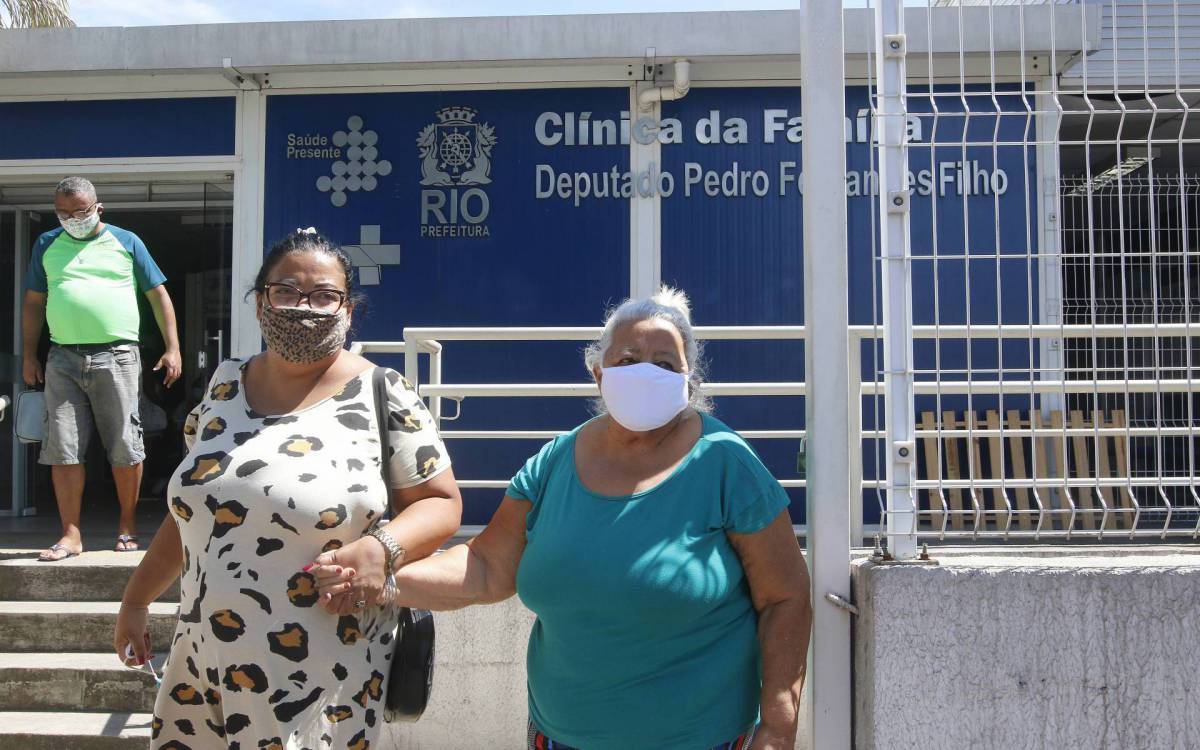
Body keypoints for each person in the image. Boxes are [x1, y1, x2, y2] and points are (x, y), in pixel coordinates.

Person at [316, 287, 813, 750]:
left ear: (689, 381)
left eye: (665, 363)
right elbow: (488, 566)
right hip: (558, 736)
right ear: (598, 373)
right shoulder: (555, 461)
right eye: (627, 359)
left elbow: (786, 597)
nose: (645, 372)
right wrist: (380, 578)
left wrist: (778, 724)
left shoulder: (725, 462)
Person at [113, 229, 463, 749]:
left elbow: (442, 503)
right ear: (259, 302)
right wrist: (136, 599)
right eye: (286, 291)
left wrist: (380, 548)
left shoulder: (382, 391)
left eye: (324, 295)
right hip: (202, 659)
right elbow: (194, 511)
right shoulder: (224, 385)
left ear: (348, 310)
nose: (304, 308)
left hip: (317, 672)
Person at [22, 176, 182, 560]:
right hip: (62, 357)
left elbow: (158, 294)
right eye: (62, 213)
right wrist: (29, 353)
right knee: (62, 447)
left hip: (119, 355)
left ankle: (127, 526)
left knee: (125, 444)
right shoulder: (46, 244)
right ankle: (70, 534)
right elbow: (32, 304)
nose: (71, 219)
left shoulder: (126, 241)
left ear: (98, 208)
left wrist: (173, 347)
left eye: (79, 212)